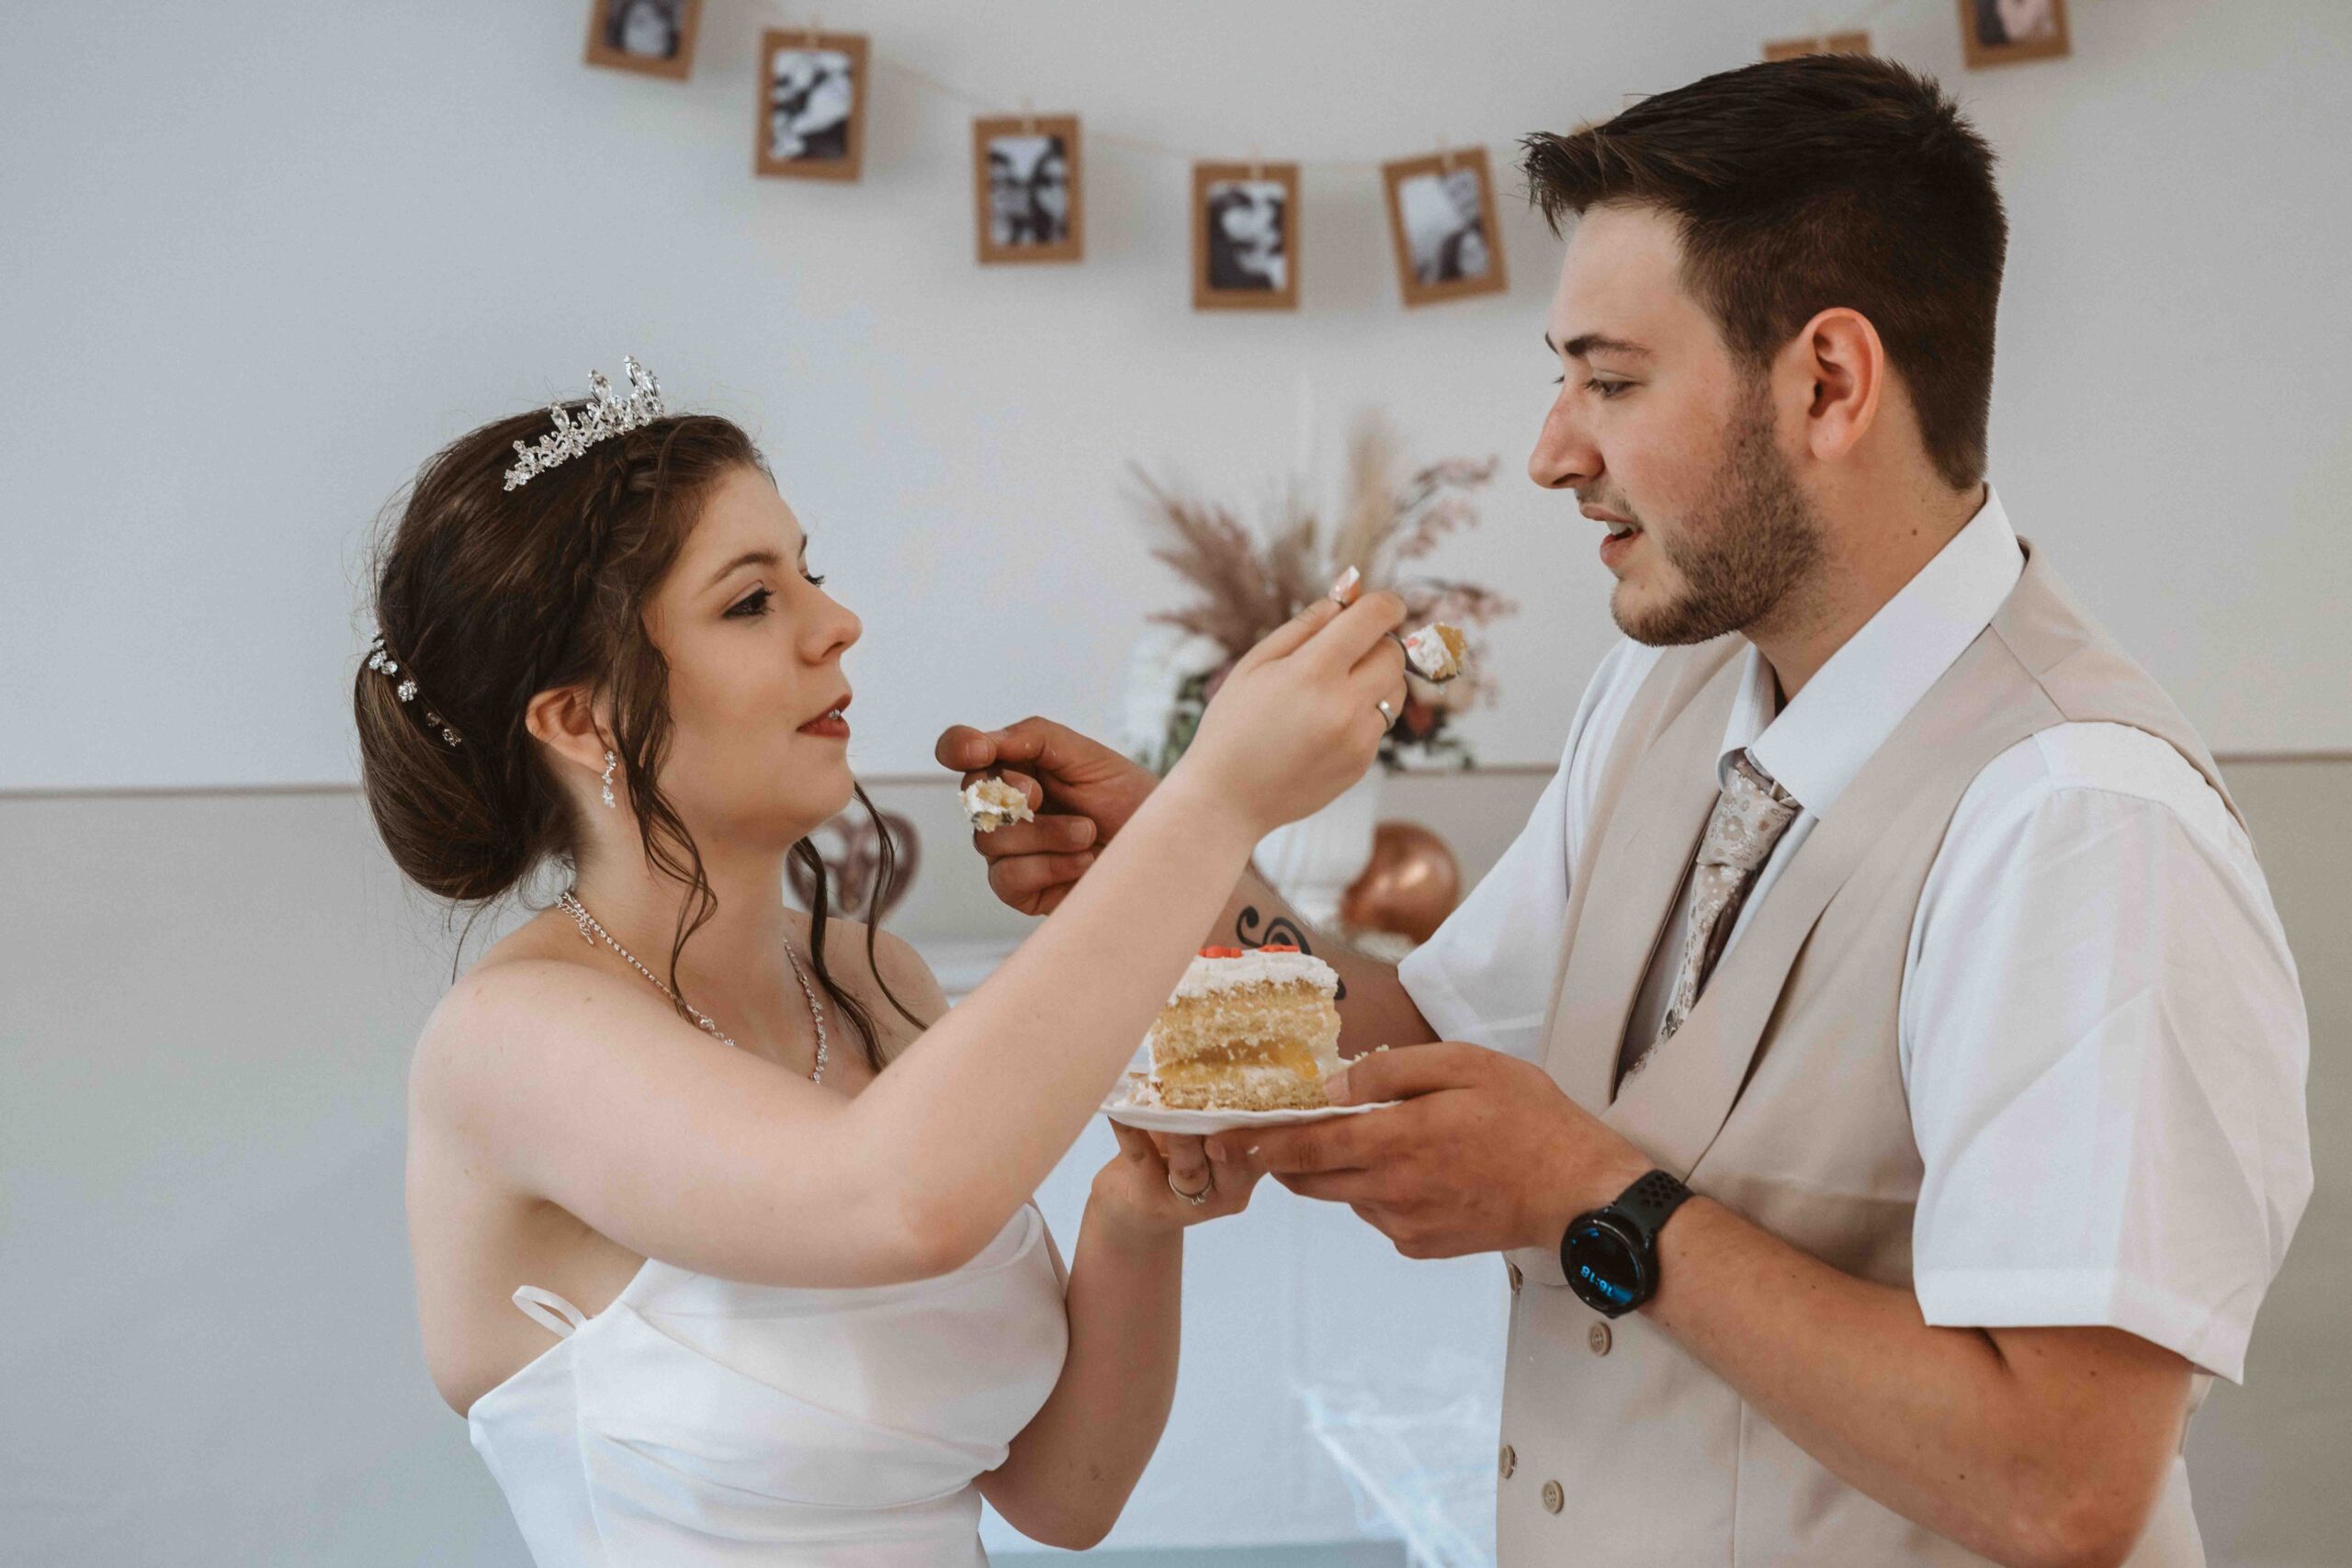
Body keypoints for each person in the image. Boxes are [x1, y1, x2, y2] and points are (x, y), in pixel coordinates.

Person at [944, 53, 2311, 1567]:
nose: (1552, 451)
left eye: (1609, 380)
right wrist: (1174, 851)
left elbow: (2065, 1486)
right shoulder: (1654, 700)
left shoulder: (2081, 818)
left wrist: (1606, 1207)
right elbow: (1413, 1050)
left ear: (1829, 384)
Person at [363, 367, 1409, 1565]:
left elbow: (1062, 1500)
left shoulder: (874, 982)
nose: (835, 620)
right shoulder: (514, 1039)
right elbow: (893, 1203)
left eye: (811, 569)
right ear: (582, 722)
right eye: (753, 601)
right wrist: (1214, 801)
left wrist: (1134, 1221)